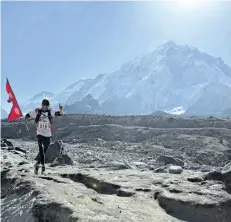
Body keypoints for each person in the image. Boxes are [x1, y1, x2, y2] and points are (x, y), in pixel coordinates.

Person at [25, 99, 63, 175]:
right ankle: (43, 168)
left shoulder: (50, 112)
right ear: (41, 105)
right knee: (41, 150)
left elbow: (59, 114)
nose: (45, 107)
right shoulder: (37, 112)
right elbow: (28, 115)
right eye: (44, 105)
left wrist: (61, 109)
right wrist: (25, 117)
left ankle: (37, 164)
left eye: (46, 105)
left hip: (48, 134)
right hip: (39, 133)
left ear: (48, 106)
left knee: (44, 151)